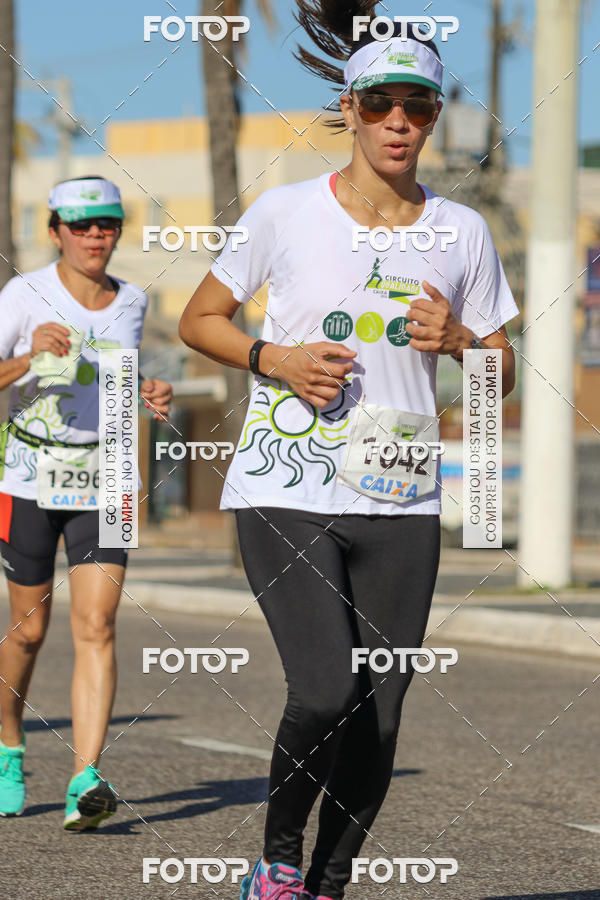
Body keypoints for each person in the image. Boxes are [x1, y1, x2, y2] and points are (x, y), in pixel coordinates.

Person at [179, 4, 518, 898]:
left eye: (419, 105)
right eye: (382, 104)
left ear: (436, 114)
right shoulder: (285, 214)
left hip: (402, 503)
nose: (400, 122)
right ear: (351, 107)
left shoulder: (463, 232)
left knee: (381, 717)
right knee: (327, 690)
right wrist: (276, 358)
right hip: (285, 487)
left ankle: (326, 885)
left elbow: (503, 375)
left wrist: (463, 346)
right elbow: (198, 320)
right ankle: (279, 859)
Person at [0, 175, 172, 829]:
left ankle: (85, 778)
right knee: (30, 631)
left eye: (108, 224)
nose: (96, 235)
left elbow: (119, 380)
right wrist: (26, 358)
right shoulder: (24, 294)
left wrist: (149, 391)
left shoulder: (133, 300)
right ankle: (9, 745)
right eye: (81, 225)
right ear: (55, 233)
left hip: (109, 476)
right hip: (26, 478)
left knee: (97, 626)